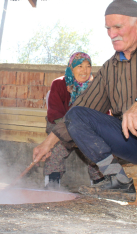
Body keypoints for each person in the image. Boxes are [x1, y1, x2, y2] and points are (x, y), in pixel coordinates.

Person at [33, 0, 137, 214]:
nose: (111, 34)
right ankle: (117, 180)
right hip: (135, 144)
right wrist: (49, 142)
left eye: (117, 27)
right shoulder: (109, 68)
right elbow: (84, 106)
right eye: (108, 29)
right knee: (76, 115)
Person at [44, 52, 104, 189]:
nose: (85, 70)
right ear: (71, 68)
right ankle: (52, 183)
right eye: (80, 66)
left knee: (98, 148)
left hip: (87, 128)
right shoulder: (59, 84)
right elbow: (55, 113)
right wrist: (72, 132)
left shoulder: (95, 87)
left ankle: (100, 183)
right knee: (56, 148)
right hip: (60, 125)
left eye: (88, 66)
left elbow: (103, 113)